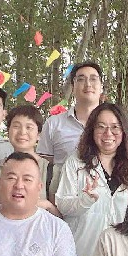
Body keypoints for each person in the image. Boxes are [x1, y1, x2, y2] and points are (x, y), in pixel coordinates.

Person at [55, 103, 128, 256]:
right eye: (101, 127)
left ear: (123, 131)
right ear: (92, 131)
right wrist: (85, 200)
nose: (108, 133)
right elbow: (62, 204)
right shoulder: (76, 163)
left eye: (115, 127)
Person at [37, 61, 105, 196]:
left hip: (106, 201)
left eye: (93, 79)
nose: (88, 84)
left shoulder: (117, 125)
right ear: (73, 87)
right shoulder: (53, 124)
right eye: (81, 79)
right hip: (62, 200)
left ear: (101, 87)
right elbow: (43, 169)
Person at [0, 104, 58, 216]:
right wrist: (31, 202)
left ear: (39, 134)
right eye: (16, 126)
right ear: (8, 131)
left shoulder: (51, 170)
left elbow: (57, 214)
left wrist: (47, 205)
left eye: (29, 127)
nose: (22, 132)